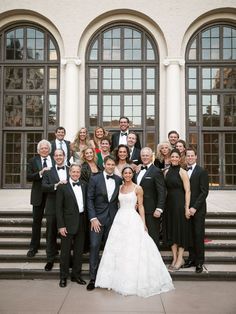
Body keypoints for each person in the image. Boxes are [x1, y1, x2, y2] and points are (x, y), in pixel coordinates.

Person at [95, 165, 174, 297]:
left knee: (133, 248)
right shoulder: (119, 187)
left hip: (132, 217)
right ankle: (115, 279)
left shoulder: (138, 188)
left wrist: (143, 223)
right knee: (118, 248)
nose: (127, 175)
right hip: (120, 219)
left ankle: (133, 280)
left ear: (132, 174)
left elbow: (141, 206)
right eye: (125, 173)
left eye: (129, 173)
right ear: (122, 174)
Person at [86, 155, 122, 291]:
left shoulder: (119, 180)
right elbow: (89, 199)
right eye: (109, 164)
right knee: (94, 246)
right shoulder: (95, 179)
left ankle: (109, 277)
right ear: (104, 165)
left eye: (113, 165)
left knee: (110, 249)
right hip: (97, 220)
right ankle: (93, 278)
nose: (111, 167)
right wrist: (93, 218)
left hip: (113, 220)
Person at [56, 164, 87, 288]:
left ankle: (76, 275)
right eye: (73, 172)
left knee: (79, 251)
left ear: (80, 173)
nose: (75, 174)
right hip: (67, 223)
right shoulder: (62, 187)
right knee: (65, 252)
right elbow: (58, 208)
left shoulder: (84, 185)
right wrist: (61, 225)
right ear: (70, 172)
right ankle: (63, 277)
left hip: (81, 221)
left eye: (77, 172)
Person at [164, 148, 191, 271]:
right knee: (171, 231)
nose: (174, 158)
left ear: (180, 159)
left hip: (180, 205)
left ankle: (180, 258)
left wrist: (187, 207)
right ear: (169, 158)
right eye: (172, 157)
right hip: (169, 205)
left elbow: (188, 191)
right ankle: (174, 258)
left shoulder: (183, 172)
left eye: (176, 157)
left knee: (180, 231)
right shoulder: (166, 172)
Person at [42, 149, 69, 271]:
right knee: (51, 233)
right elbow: (44, 187)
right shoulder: (48, 171)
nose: (58, 157)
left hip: (67, 208)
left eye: (60, 155)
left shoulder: (70, 170)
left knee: (67, 235)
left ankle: (67, 259)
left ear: (64, 156)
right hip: (52, 206)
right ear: (53, 157)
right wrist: (56, 185)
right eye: (56, 155)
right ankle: (50, 259)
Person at [182, 148, 209, 273]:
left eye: (192, 155)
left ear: (196, 157)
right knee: (189, 235)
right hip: (186, 209)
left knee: (198, 235)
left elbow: (204, 192)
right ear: (186, 157)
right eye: (188, 155)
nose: (190, 157)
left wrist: (194, 207)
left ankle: (199, 261)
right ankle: (191, 259)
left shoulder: (201, 171)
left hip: (198, 209)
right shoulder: (183, 171)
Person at [26, 139, 54, 257]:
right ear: (38, 150)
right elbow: (28, 177)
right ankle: (33, 247)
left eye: (46, 148)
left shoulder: (54, 160)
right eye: (42, 148)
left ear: (49, 150)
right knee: (36, 222)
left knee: (51, 223)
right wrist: (41, 173)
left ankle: (50, 247)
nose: (44, 150)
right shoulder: (33, 160)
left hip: (51, 196)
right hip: (38, 196)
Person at [135, 147, 166, 247]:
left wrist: (159, 208)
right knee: (139, 236)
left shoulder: (156, 171)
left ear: (151, 156)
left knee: (152, 237)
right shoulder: (137, 170)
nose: (144, 157)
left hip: (151, 210)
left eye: (147, 155)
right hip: (136, 210)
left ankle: (154, 261)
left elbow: (162, 191)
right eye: (143, 155)